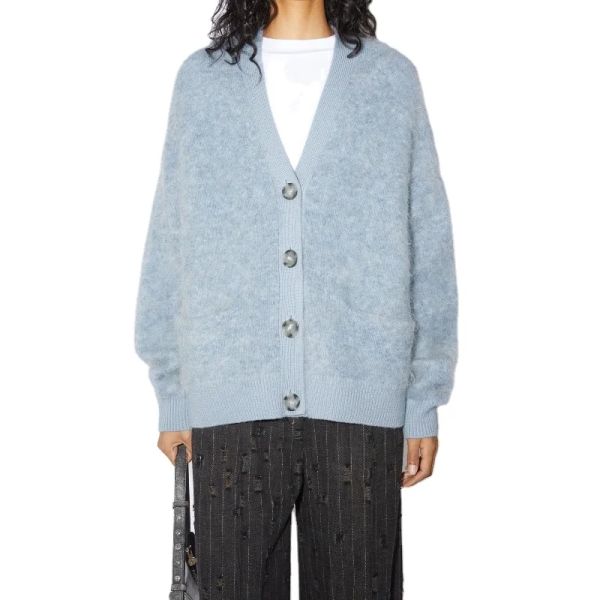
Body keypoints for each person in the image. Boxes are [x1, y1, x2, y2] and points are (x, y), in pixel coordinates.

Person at [134, 1, 458, 597]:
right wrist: (173, 394)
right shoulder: (203, 81)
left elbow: (428, 241)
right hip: (231, 401)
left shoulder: (390, 80)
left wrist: (422, 400)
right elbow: (170, 240)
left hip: (361, 401)